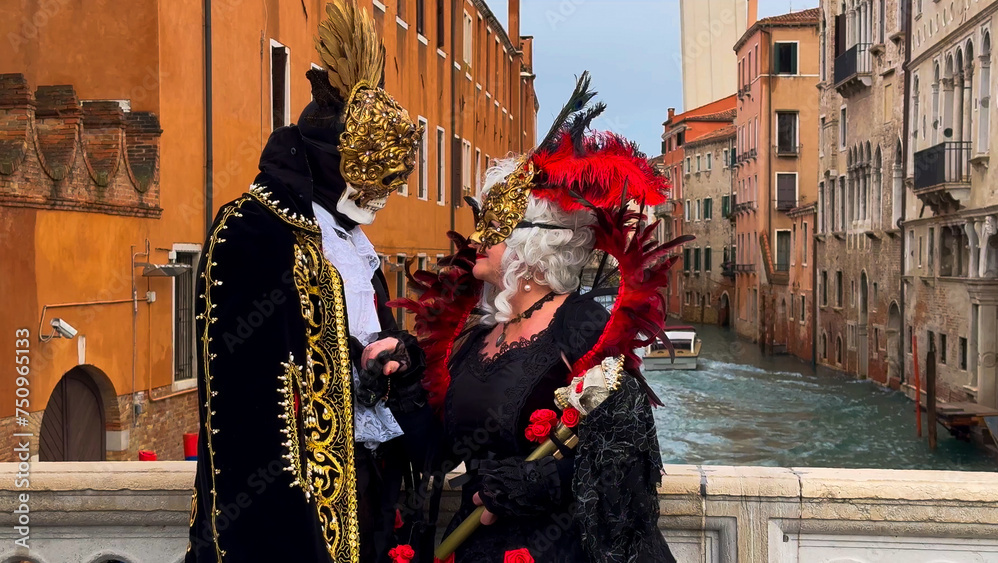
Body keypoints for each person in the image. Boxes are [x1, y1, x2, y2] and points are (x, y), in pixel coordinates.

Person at [395, 74, 682, 563]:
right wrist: (400, 379)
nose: (476, 237)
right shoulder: (477, 339)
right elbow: (437, 450)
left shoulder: (581, 326)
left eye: (494, 225)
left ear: (532, 246)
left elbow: (623, 460)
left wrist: (529, 484)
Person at [185, 2, 428, 561]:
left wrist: (389, 364)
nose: (378, 202)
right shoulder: (251, 231)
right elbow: (248, 402)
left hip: (365, 488)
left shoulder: (351, 245)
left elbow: (363, 340)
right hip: (294, 511)